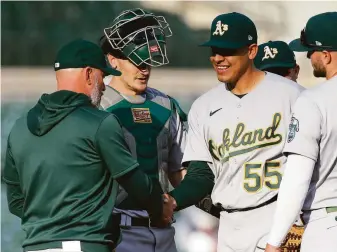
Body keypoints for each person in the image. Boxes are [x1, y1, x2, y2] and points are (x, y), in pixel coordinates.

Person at [3, 39, 175, 252]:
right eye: (102, 76)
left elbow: (15, 200)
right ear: (88, 74)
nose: (103, 85)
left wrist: (49, 224)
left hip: (35, 246)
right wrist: (160, 207)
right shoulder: (100, 123)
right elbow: (135, 182)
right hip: (84, 244)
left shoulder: (19, 128)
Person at [168, 12, 304, 252]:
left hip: (276, 218)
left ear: (252, 51)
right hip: (229, 225)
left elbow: (314, 165)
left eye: (228, 50)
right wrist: (173, 201)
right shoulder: (204, 106)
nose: (218, 58)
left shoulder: (291, 96)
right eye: (214, 50)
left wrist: (302, 217)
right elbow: (201, 175)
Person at [99, 8, 187, 252]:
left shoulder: (165, 105)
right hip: (116, 232)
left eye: (148, 61)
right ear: (112, 59)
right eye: (136, 61)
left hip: (165, 231)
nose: (144, 69)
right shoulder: (96, 106)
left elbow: (178, 172)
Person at [265, 11, 337, 252]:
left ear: (326, 56)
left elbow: (297, 178)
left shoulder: (313, 101)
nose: (308, 56)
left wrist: (274, 241)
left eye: (311, 51)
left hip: (328, 225)